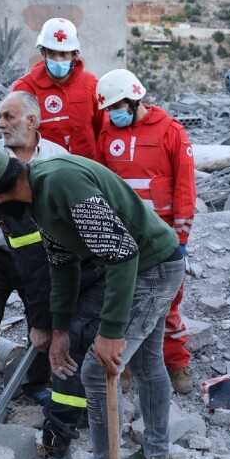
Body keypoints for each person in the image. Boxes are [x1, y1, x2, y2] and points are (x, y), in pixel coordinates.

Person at [0, 146, 184, 459]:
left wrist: (110, 331)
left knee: (96, 369)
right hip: (148, 264)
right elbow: (62, 264)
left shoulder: (61, 183)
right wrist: (59, 329)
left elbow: (122, 253)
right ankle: (155, 456)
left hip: (151, 267)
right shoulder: (37, 196)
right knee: (146, 363)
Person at [0, 92, 68, 428]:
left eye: (8, 117)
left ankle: (35, 383)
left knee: (42, 321)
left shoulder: (56, 156)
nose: (0, 123)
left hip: (41, 258)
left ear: (31, 121)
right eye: (0, 116)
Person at [94, 69, 197, 394]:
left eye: (116, 107)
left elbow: (185, 189)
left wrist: (180, 238)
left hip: (162, 238)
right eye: (108, 109)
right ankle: (122, 368)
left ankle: (177, 362)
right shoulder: (108, 134)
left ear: (135, 100)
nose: (112, 114)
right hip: (122, 237)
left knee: (167, 303)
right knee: (121, 300)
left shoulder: (171, 131)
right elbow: (100, 181)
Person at [12, 18, 102, 160]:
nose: (58, 60)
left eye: (63, 54)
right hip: (43, 171)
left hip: (86, 169)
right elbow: (18, 137)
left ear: (74, 54)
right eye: (51, 53)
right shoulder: (24, 88)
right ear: (43, 53)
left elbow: (103, 130)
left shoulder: (91, 85)